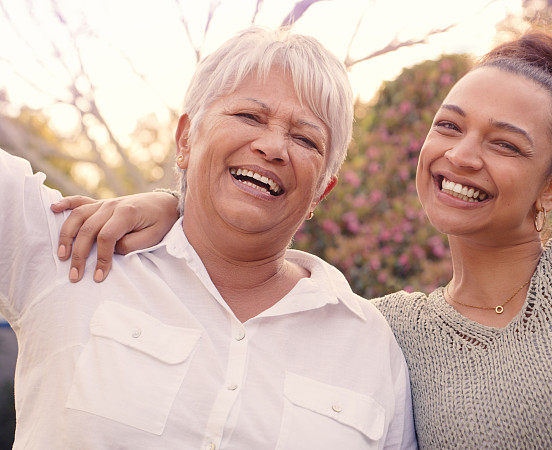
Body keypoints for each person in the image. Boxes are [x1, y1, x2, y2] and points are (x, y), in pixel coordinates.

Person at [53, 0, 552, 447]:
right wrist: (178, 205)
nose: (463, 156)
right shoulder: (383, 334)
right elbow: (251, 281)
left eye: (506, 145)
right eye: (450, 127)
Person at [0, 27, 416, 449]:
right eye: (249, 116)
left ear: (322, 190)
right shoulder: (77, 247)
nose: (273, 147)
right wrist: (174, 201)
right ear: (186, 139)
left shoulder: (370, 347)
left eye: (305, 138)